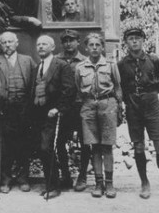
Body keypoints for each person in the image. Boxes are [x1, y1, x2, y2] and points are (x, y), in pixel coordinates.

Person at [118, 25, 159, 200]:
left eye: (138, 38)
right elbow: (121, 86)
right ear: (126, 43)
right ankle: (144, 183)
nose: (135, 41)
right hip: (133, 106)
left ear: (143, 40)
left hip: (151, 105)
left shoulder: (154, 60)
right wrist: (131, 101)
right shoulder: (121, 64)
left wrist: (148, 97)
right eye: (131, 38)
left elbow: (158, 83)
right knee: (138, 145)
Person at [75, 33, 123, 198]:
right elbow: (78, 88)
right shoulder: (80, 67)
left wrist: (119, 108)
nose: (94, 48)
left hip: (107, 104)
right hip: (89, 105)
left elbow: (117, 87)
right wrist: (86, 105)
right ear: (86, 48)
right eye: (91, 45)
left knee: (107, 146)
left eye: (97, 45)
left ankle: (109, 184)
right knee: (94, 146)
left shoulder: (110, 64)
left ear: (102, 47)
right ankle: (98, 183)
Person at [29, 35, 76, 199]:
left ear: (52, 47)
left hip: (55, 114)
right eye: (38, 44)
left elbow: (69, 90)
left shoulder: (61, 65)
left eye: (44, 44)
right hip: (39, 114)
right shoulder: (37, 67)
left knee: (47, 148)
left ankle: (55, 186)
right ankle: (51, 184)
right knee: (43, 149)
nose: (41, 47)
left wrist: (57, 108)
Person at [0, 31, 37, 193]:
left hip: (24, 110)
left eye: (10, 41)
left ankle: (23, 178)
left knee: (24, 145)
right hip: (5, 110)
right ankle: (5, 179)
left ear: (17, 43)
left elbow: (34, 84)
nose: (8, 45)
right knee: (5, 147)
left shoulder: (27, 61)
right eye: (4, 42)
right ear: (0, 45)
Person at [55, 29, 92, 190]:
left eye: (72, 40)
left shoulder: (85, 61)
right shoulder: (56, 60)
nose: (68, 43)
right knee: (59, 142)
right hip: (64, 107)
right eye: (65, 40)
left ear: (78, 42)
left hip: (80, 106)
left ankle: (82, 176)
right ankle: (66, 175)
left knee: (85, 142)